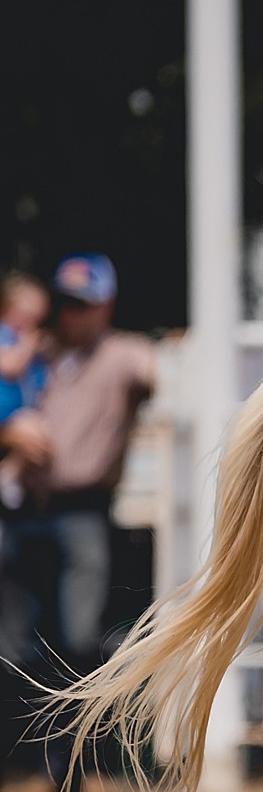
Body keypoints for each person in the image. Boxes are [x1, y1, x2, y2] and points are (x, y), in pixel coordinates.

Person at [0, 253, 154, 686]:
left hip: (83, 510)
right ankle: (25, 749)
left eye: (83, 303)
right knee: (13, 643)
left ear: (105, 305)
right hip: (23, 508)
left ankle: (79, 748)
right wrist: (8, 433)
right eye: (66, 301)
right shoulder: (32, 350)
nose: (71, 314)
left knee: (80, 638)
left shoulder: (124, 355)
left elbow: (164, 374)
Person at [0, 271, 50, 513]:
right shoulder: (5, 336)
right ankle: (9, 477)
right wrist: (27, 347)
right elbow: (10, 366)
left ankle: (15, 477)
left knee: (39, 437)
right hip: (6, 411)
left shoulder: (25, 338)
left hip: (22, 409)